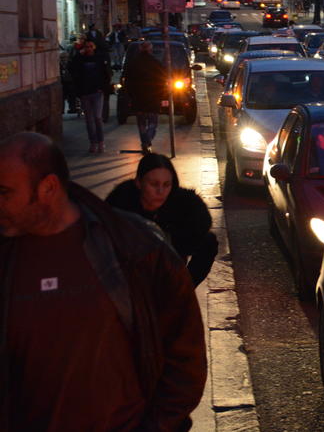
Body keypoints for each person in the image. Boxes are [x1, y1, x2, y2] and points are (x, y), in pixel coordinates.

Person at [0, 132, 206, 430]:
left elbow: (185, 353)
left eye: (4, 193)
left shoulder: (137, 247)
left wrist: (158, 426)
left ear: (48, 188)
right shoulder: (8, 256)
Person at [106, 153, 218, 287]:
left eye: (166, 185)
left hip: (167, 272)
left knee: (208, 241)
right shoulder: (121, 205)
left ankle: (182, 292)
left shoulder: (186, 207)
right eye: (153, 184)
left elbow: (197, 234)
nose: (160, 191)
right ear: (139, 183)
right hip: (129, 276)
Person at [68, 39, 112, 153]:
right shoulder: (80, 59)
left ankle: (101, 142)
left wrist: (103, 88)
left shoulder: (99, 59)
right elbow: (71, 68)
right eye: (86, 47)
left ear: (94, 47)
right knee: (89, 120)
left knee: (97, 118)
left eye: (90, 46)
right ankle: (93, 143)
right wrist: (78, 55)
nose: (88, 49)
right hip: (85, 93)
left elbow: (106, 73)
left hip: (97, 93)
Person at [127, 41, 167, 154]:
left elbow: (128, 81)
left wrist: (130, 95)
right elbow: (162, 80)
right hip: (153, 96)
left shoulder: (133, 63)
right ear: (150, 49)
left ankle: (145, 141)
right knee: (153, 122)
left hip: (138, 97)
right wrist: (162, 94)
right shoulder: (155, 62)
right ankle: (147, 140)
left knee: (141, 123)